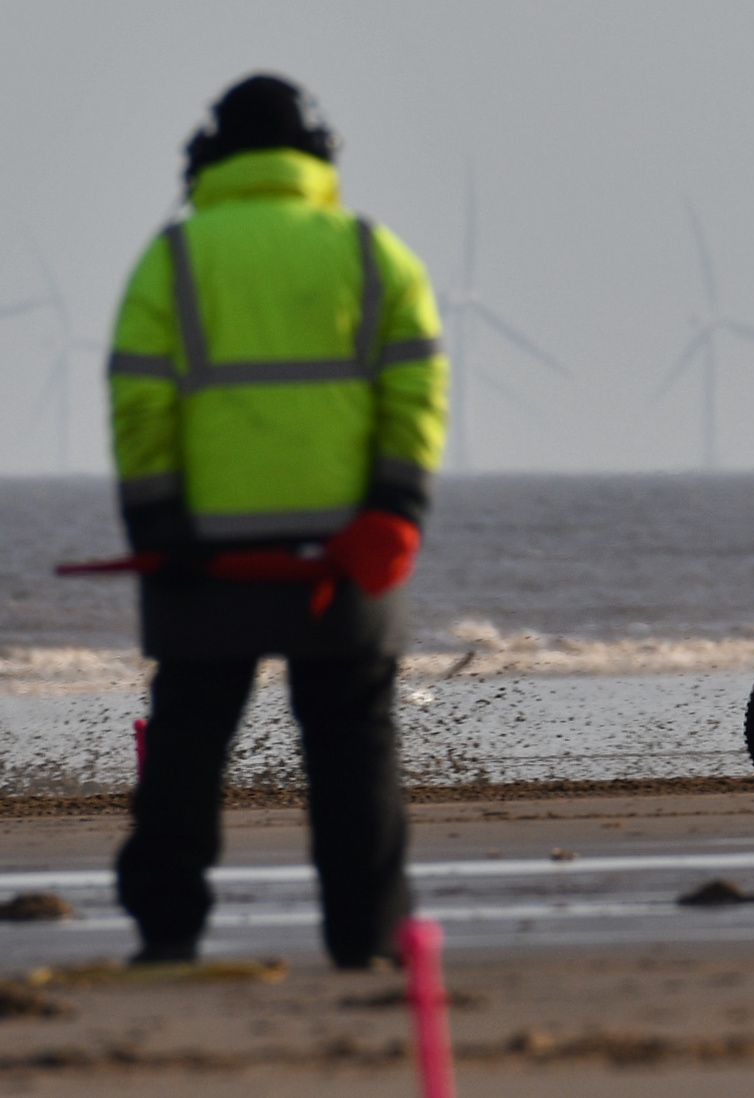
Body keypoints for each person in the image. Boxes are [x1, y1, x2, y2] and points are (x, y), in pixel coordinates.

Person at [106, 73, 448, 969]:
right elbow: (416, 390)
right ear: (319, 154)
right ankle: (365, 942)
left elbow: (138, 404)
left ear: (210, 154)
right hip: (344, 554)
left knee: (185, 745)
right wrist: (394, 507)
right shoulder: (374, 254)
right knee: (353, 747)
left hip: (204, 554)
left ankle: (168, 932)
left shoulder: (174, 257)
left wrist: (156, 526)